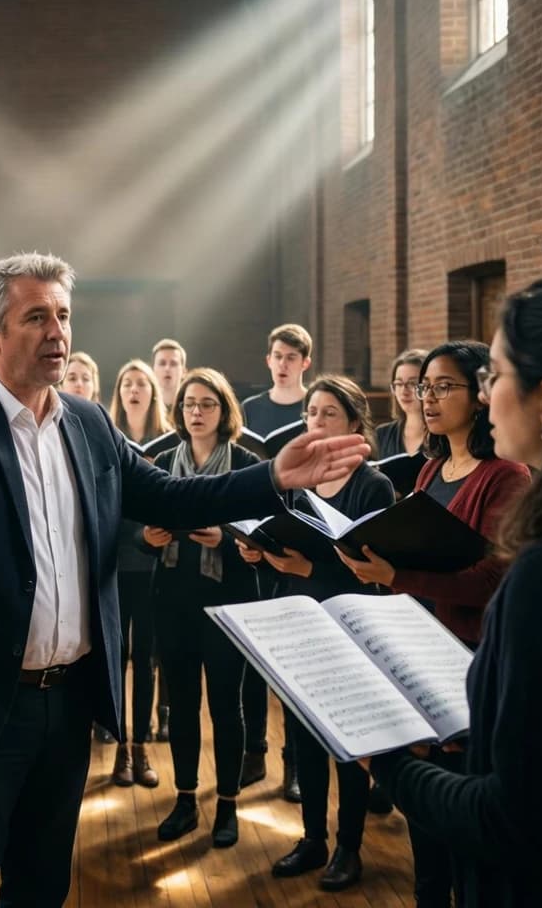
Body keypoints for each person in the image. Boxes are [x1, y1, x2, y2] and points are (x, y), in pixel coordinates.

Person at [0, 245, 369, 908]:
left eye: (63, 316)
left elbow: (171, 498)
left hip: (67, 703)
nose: (58, 332)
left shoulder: (89, 422)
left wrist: (271, 477)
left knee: (42, 887)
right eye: (36, 317)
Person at [366, 279, 542, 907]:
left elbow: (510, 813)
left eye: (494, 376)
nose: (488, 393)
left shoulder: (529, 548)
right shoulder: (427, 469)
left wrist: (387, 764)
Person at [240, 376, 394, 891]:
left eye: (329, 413)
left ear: (353, 422)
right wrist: (259, 552)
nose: (317, 421)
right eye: (311, 412)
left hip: (349, 623)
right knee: (303, 737)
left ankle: (349, 846)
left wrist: (311, 568)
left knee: (349, 742)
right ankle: (312, 839)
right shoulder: (298, 481)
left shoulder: (373, 486)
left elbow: (374, 572)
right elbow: (284, 545)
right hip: (299, 617)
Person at [141, 368, 262, 848]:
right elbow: (140, 531)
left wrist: (226, 541)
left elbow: (263, 538)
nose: (196, 412)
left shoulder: (245, 463)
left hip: (227, 600)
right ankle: (186, 798)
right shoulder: (163, 462)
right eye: (189, 404)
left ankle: (227, 805)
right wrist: (148, 538)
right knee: (182, 705)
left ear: (224, 410)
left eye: (207, 404)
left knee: (227, 706)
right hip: (174, 601)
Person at [239, 321, 313, 799]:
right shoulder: (251, 409)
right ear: (268, 360)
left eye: (292, 357)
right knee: (253, 657)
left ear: (305, 362)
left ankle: (294, 763)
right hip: (256, 532)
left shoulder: (312, 409)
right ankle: (254, 752)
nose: (283, 364)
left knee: (291, 662)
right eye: (277, 356)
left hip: (297, 535)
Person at [105, 359, 168, 783]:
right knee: (115, 659)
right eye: (126, 383)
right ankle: (120, 748)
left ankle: (141, 747)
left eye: (141, 384)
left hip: (152, 568)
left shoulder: (168, 442)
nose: (133, 389)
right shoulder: (106, 437)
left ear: (152, 393)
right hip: (112, 565)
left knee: (144, 660)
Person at [375, 348, 428, 460]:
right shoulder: (382, 434)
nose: (404, 391)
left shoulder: (444, 436)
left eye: (412, 383)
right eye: (399, 384)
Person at [151, 338, 186, 415]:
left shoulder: (191, 409)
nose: (167, 368)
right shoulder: (144, 408)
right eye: (162, 363)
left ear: (184, 372)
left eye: (173, 364)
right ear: (152, 370)